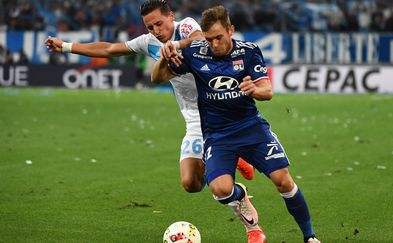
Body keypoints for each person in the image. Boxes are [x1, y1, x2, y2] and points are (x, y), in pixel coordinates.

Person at [44, 0, 254, 193]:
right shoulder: (148, 42)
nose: (156, 31)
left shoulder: (186, 26)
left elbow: (198, 39)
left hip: (218, 108)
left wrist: (174, 46)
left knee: (221, 181)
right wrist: (65, 46)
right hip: (193, 116)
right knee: (191, 183)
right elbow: (109, 49)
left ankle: (228, 166)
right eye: (150, 27)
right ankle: (229, 165)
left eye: (159, 23)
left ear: (171, 16)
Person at [152, 5, 320, 243]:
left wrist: (255, 90)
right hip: (217, 135)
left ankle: (309, 236)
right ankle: (240, 195)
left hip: (251, 127)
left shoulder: (249, 52)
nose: (214, 44)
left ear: (231, 30)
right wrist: (164, 57)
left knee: (283, 180)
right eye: (209, 39)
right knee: (220, 191)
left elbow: (267, 91)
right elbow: (157, 78)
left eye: (219, 37)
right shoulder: (196, 53)